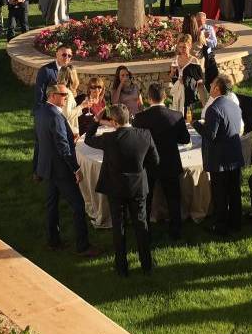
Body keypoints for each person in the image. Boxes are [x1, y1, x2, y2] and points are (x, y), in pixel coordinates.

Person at [85, 105, 158, 276]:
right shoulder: (144, 134)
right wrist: (139, 169)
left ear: (114, 122)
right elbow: (155, 160)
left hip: (115, 188)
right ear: (129, 117)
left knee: (119, 226)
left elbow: (88, 139)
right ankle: (146, 264)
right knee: (141, 224)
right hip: (138, 186)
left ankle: (121, 267)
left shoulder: (109, 138)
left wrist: (96, 120)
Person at [32, 86, 95, 256]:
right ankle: (83, 246)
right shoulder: (55, 116)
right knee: (78, 205)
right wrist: (75, 168)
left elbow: (38, 142)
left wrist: (37, 168)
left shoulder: (40, 112)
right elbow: (62, 146)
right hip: (60, 170)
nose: (66, 97)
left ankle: (53, 241)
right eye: (63, 95)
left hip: (48, 168)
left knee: (51, 205)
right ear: (52, 96)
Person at [133, 82, 191, 240]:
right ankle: (176, 230)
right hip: (170, 163)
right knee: (173, 198)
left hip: (148, 164)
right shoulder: (176, 116)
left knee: (146, 200)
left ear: (148, 98)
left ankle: (145, 231)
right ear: (165, 97)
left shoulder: (139, 119)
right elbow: (185, 139)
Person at [193, 75, 244, 236]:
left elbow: (210, 135)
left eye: (212, 84)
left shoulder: (213, 109)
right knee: (234, 191)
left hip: (220, 159)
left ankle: (220, 225)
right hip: (234, 155)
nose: (210, 85)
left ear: (216, 88)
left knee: (220, 193)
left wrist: (196, 125)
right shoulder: (233, 105)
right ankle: (236, 221)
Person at [169, 34, 202, 116]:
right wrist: (173, 72)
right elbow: (170, 76)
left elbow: (200, 80)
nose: (182, 49)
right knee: (176, 112)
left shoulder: (194, 61)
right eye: (180, 47)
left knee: (187, 114)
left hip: (188, 92)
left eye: (184, 47)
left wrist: (186, 81)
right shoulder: (175, 59)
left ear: (190, 46)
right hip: (177, 90)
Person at [34, 44, 73, 112]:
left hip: (64, 109)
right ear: (57, 54)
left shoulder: (69, 70)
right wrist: (41, 111)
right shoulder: (46, 70)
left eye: (69, 56)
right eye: (64, 55)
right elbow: (40, 92)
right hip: (49, 110)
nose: (67, 57)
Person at [197, 12, 219, 88]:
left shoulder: (209, 28)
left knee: (213, 71)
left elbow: (214, 44)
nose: (199, 22)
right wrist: (201, 36)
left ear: (205, 20)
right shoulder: (193, 29)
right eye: (197, 21)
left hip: (208, 55)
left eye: (201, 21)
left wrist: (205, 39)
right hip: (197, 55)